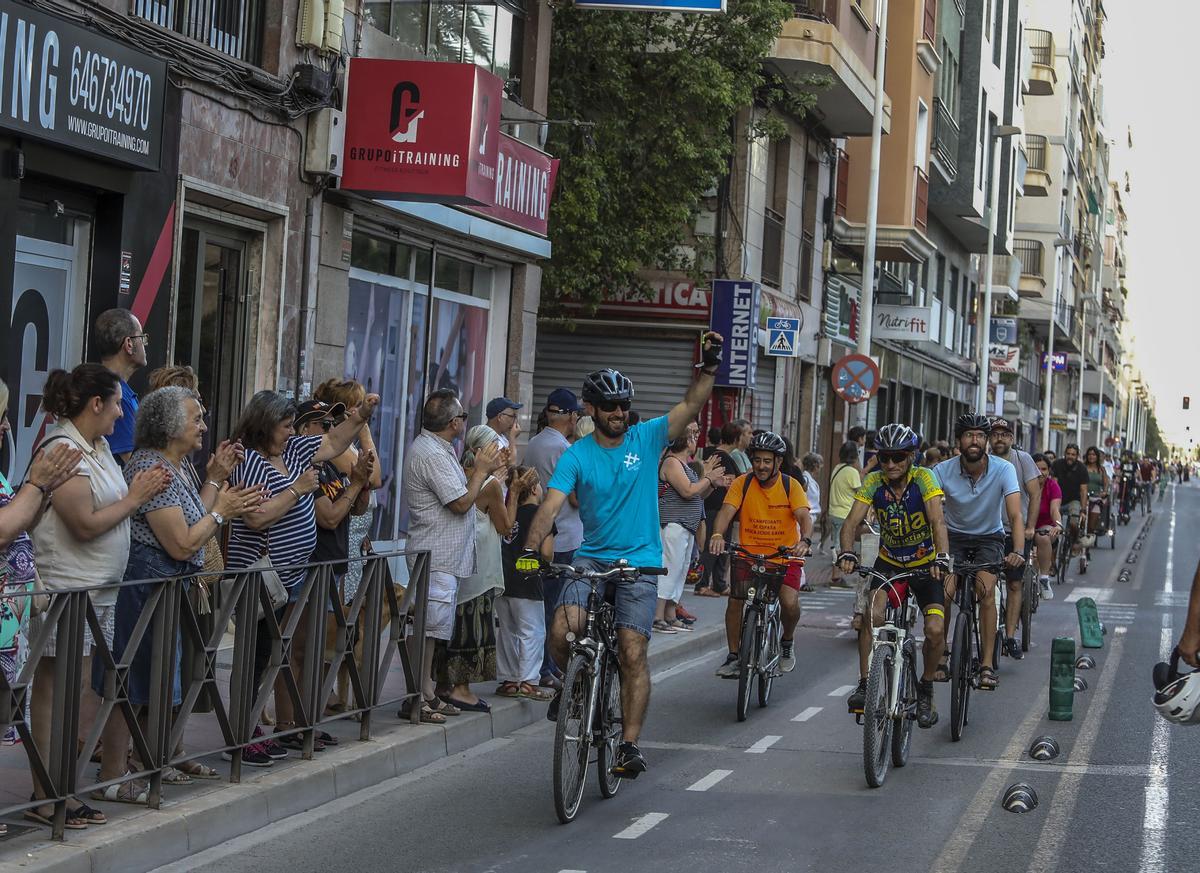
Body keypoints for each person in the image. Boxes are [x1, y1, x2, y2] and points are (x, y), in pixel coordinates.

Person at [517, 331, 725, 779]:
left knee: (632, 650)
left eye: (622, 406)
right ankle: (573, 686)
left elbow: (690, 406)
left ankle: (628, 745)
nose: (617, 413)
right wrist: (530, 551)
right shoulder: (577, 455)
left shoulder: (646, 438)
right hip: (591, 557)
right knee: (560, 631)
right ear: (589, 409)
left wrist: (708, 367)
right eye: (608, 406)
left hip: (641, 561)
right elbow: (550, 506)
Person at [96, 387, 263, 793]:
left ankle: (149, 764)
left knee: (153, 677)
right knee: (131, 680)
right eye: (196, 418)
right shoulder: (154, 468)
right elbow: (183, 542)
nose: (204, 426)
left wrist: (217, 482)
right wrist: (224, 512)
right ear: (171, 426)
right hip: (146, 587)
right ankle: (113, 775)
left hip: (162, 589)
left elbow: (195, 514)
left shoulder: (173, 465)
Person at [27, 364, 170, 817]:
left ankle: (61, 791)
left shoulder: (99, 446)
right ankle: (47, 797)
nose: (120, 415)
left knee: (75, 692)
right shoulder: (65, 448)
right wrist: (135, 498)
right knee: (55, 692)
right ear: (96, 404)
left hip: (96, 592)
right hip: (69, 590)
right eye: (116, 406)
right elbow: (84, 524)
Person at [225, 389, 380, 760]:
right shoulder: (247, 461)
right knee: (255, 656)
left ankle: (258, 729)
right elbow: (256, 516)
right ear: (264, 427)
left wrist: (360, 415)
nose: (291, 433)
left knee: (277, 654)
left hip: (293, 577)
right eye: (283, 427)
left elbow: (332, 440)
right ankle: (240, 737)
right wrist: (297, 490)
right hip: (261, 578)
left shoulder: (292, 452)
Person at [401, 390, 504, 724]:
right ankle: (417, 696)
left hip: (443, 556)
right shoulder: (431, 453)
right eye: (461, 416)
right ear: (452, 423)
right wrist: (481, 471)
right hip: (435, 555)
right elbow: (460, 503)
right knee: (428, 630)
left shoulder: (439, 449)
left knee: (434, 630)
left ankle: (426, 691)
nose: (464, 421)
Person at [836, 425, 948, 726]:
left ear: (911, 456)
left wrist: (942, 556)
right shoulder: (874, 481)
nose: (890, 464)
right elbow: (851, 522)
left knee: (936, 629)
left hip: (925, 566)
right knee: (872, 614)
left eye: (897, 457)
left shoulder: (924, 478)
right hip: (890, 564)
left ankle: (925, 687)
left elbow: (937, 521)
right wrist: (847, 551)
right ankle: (864, 684)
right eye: (884, 458)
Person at [0, 381, 82, 771]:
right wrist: (35, 484)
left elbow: (19, 522)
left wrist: (42, 493)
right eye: (1, 417)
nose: (5, 428)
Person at [708, 430, 812, 678]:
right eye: (757, 460)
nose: (761, 466)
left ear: (777, 461)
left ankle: (787, 641)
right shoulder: (742, 483)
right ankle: (734, 655)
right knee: (735, 600)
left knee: (789, 602)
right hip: (749, 554)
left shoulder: (790, 485)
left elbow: (804, 517)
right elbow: (726, 511)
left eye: (767, 461)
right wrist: (717, 535)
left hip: (785, 556)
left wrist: (805, 540)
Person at [933, 414, 1024, 691]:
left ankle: (985, 664)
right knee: (945, 592)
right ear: (958, 441)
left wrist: (1018, 550)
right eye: (969, 435)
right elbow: (934, 515)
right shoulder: (941, 471)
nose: (975, 441)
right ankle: (941, 656)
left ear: (986, 441)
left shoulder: (1004, 469)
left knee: (986, 592)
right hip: (953, 537)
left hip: (989, 538)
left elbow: (1015, 514)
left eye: (980, 436)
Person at [434, 425, 514, 712]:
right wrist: (513, 492)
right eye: (496, 448)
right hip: (481, 563)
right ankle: (461, 688)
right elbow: (505, 526)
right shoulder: (490, 483)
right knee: (474, 626)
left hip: (459, 558)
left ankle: (443, 684)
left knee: (453, 623)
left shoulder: (459, 473)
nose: (502, 453)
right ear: (482, 452)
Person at [523, 388, 585, 691]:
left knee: (540, 606)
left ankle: (542, 667)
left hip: (541, 534)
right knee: (555, 609)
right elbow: (574, 498)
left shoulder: (534, 443)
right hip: (564, 538)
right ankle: (548, 668)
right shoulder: (565, 449)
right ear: (571, 417)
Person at [313, 378, 384, 605]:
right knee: (338, 606)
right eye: (359, 405)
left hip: (354, 538)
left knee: (343, 607)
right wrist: (363, 430)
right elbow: (374, 479)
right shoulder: (332, 446)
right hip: (342, 539)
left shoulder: (349, 445)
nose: (364, 410)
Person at [655, 422, 728, 633]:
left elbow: (697, 495)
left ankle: (670, 614)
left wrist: (713, 483)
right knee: (669, 570)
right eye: (694, 434)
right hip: (673, 525)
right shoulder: (671, 462)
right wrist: (707, 478)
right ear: (683, 438)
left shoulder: (684, 464)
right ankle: (658, 616)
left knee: (679, 571)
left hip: (685, 525)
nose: (697, 437)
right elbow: (688, 491)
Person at [496, 466, 554, 702]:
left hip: (504, 579)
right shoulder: (541, 515)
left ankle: (510, 680)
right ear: (532, 488)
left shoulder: (507, 513)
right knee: (532, 632)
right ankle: (529, 681)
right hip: (529, 581)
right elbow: (548, 552)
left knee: (507, 631)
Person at [989, 418, 1041, 661]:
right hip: (988, 532)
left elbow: (1034, 493)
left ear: (1011, 438)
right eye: (995, 434)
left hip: (1015, 532)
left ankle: (1010, 636)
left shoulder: (1023, 460)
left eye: (1004, 434)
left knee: (1014, 584)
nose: (999, 438)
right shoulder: (982, 460)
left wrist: (1030, 527)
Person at [94, 308, 148, 465]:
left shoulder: (118, 391)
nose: (144, 344)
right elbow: (135, 466)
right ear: (129, 344)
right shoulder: (117, 397)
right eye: (142, 338)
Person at [697, 423, 743, 596]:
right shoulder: (723, 456)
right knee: (712, 547)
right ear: (737, 439)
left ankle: (719, 583)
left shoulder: (714, 453)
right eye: (745, 434)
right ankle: (701, 584)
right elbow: (730, 483)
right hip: (717, 508)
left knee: (721, 548)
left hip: (715, 506)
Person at [827, 441, 862, 587]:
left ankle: (836, 576)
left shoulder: (837, 468)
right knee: (841, 545)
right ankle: (836, 577)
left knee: (836, 544)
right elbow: (861, 493)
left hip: (833, 512)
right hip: (845, 513)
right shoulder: (852, 472)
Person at [1031, 453, 1062, 599]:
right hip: (1023, 526)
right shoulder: (1022, 484)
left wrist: (1058, 525)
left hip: (1044, 526)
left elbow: (1054, 509)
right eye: (1036, 469)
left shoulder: (1053, 486)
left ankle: (1044, 579)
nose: (1040, 473)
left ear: (1049, 471)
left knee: (1043, 537)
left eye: (1044, 469)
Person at [1051, 444, 1090, 555]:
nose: (1070, 456)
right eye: (1068, 454)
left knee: (1074, 522)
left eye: (1073, 454)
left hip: (1074, 500)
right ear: (1065, 454)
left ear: (1077, 456)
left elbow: (1083, 491)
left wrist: (1083, 510)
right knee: (1053, 526)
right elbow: (1054, 484)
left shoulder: (1082, 469)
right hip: (1058, 499)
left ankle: (1074, 541)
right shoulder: (1057, 464)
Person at [1083, 446, 1111, 540]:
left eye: (1094, 454)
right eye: (1090, 454)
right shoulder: (1083, 467)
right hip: (1083, 498)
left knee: (1091, 526)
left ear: (1097, 456)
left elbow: (1106, 483)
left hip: (1096, 498)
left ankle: (1088, 544)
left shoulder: (1101, 469)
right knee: (1081, 521)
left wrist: (1104, 492)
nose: (1091, 456)